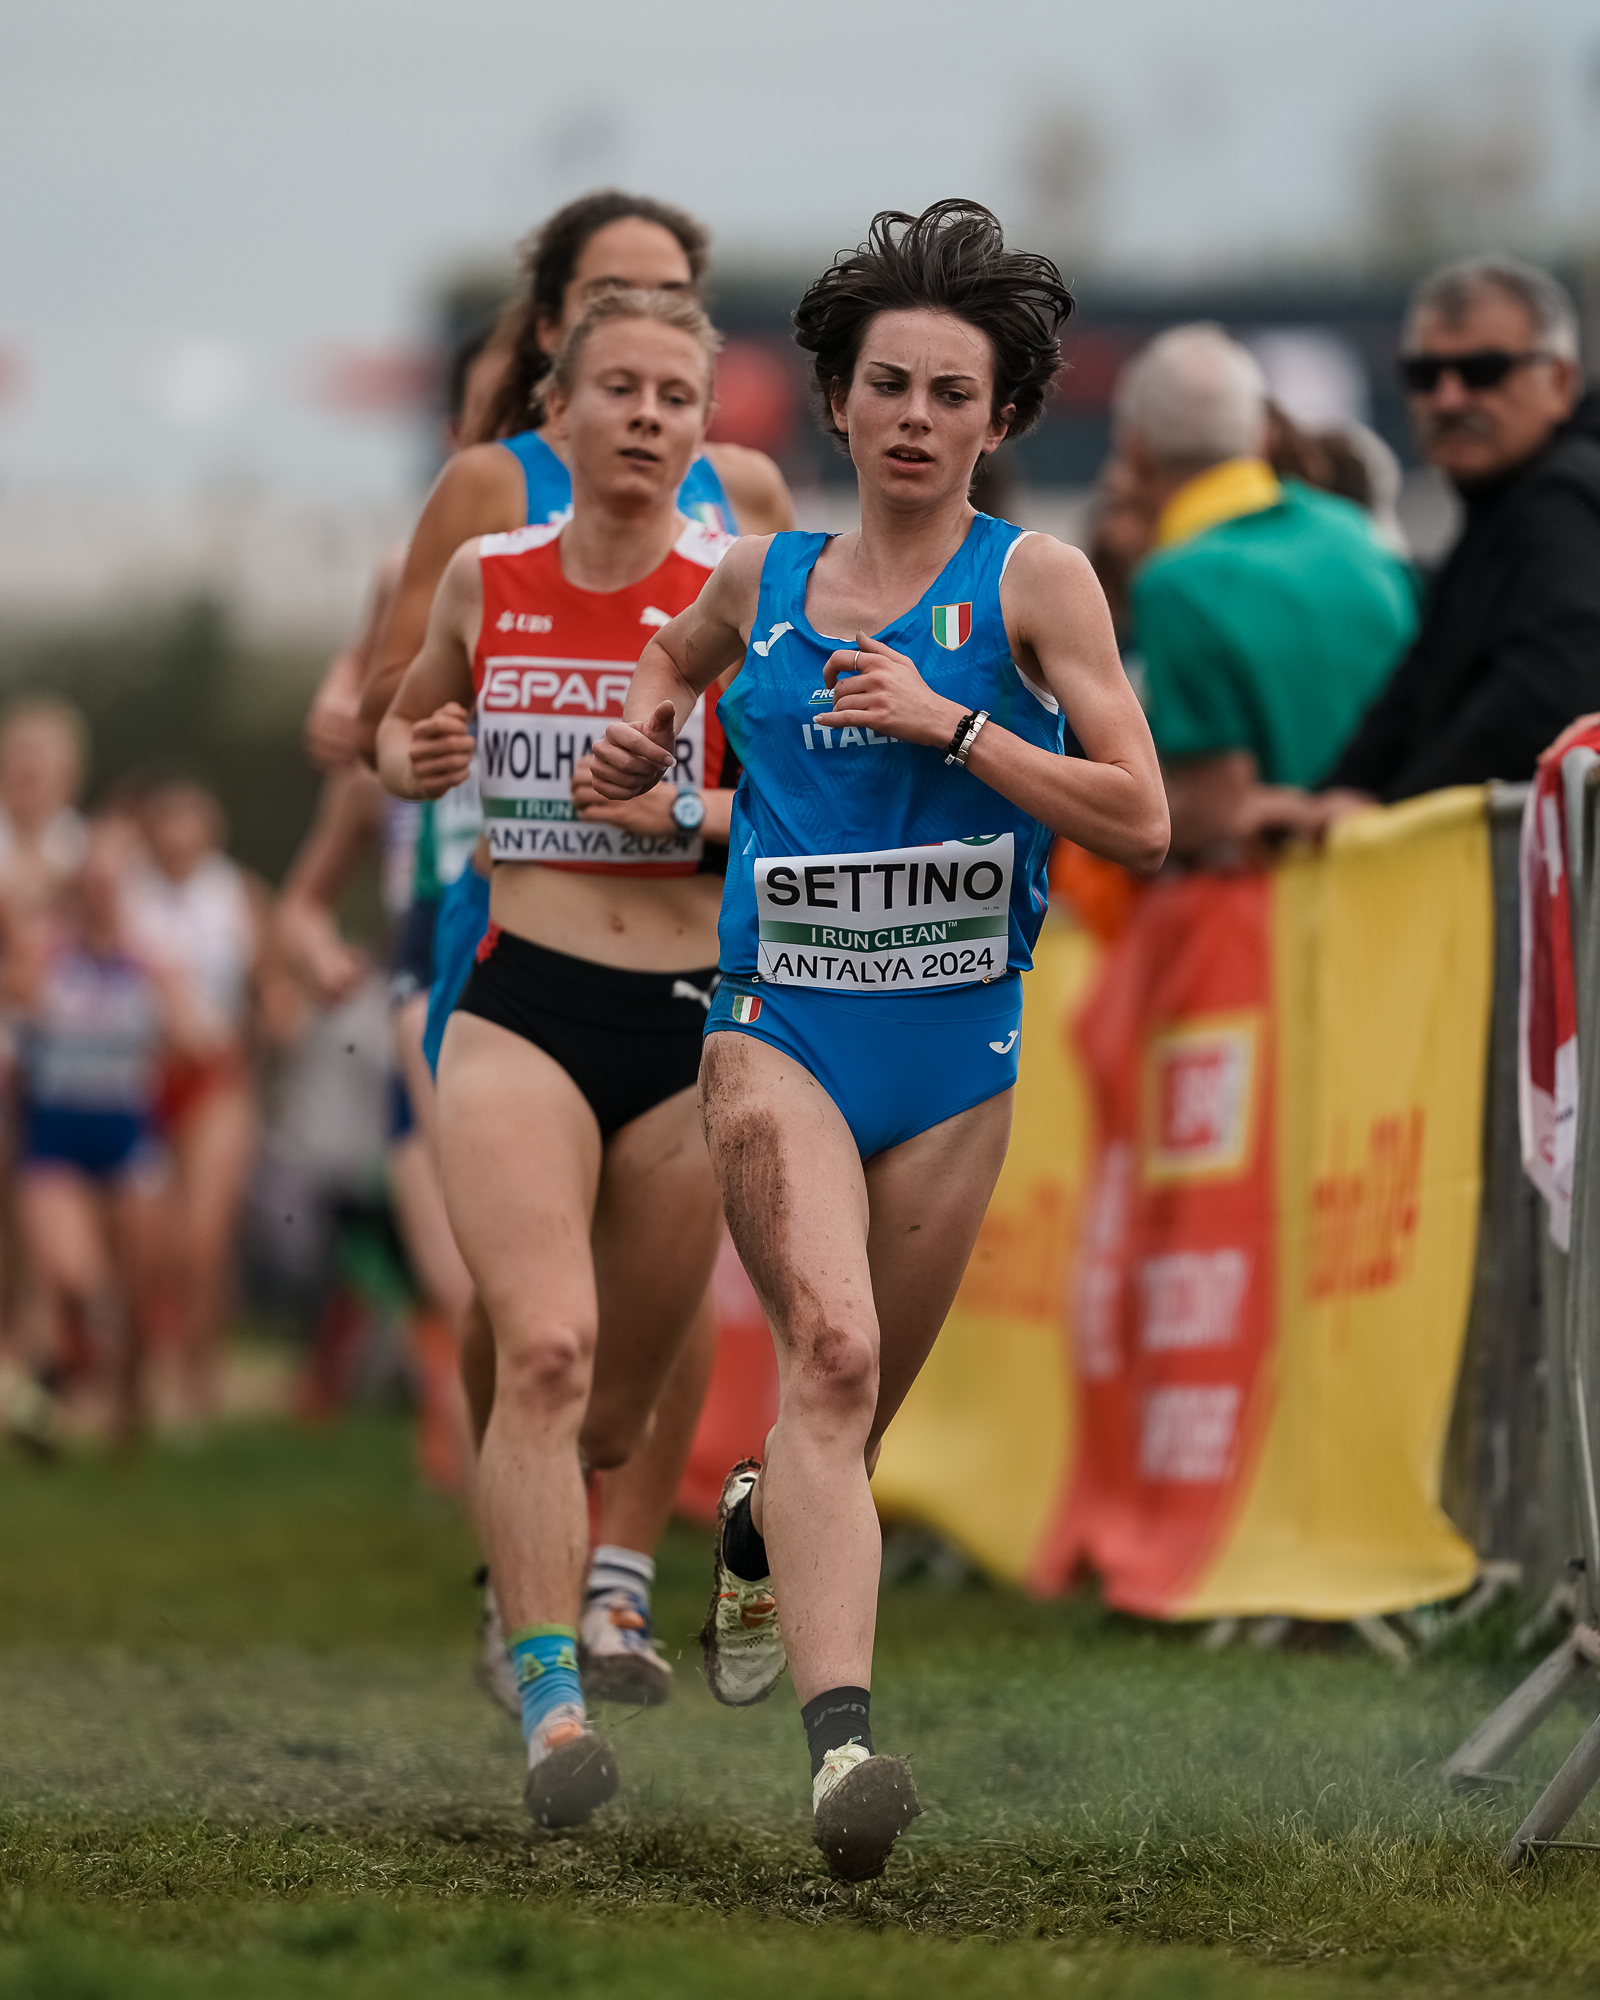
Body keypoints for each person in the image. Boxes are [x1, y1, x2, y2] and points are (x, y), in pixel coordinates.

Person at [589, 199, 1168, 1879]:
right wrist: (641, 738)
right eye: (889, 386)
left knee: (850, 1420)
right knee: (829, 1362)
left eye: (952, 394)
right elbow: (670, 656)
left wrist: (954, 725)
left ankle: (763, 1521)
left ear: (1002, 419)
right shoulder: (763, 578)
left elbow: (1140, 819)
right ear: (836, 404)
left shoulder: (1035, 582)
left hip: (955, 1057)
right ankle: (844, 1758)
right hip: (777, 1030)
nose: (916, 416)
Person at [362, 189, 796, 1714]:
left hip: (687, 976)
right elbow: (393, 701)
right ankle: (529, 1591)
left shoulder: (750, 515)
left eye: (679, 325)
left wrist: (684, 801)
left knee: (648, 1323)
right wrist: (403, 751)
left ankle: (617, 1574)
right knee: (528, 1313)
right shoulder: (489, 504)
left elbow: (799, 758)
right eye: (615, 313)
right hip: (509, 940)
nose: (650, 382)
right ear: (554, 344)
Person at [1108, 324, 1416, 859]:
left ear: (1134, 453)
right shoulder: (1361, 539)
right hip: (1416, 876)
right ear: (1264, 436)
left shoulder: (1175, 584)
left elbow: (1214, 810)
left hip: (1282, 900)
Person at [1314, 256, 1600, 811]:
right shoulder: (1503, 506)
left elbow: (1551, 688)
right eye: (1424, 375)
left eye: (1483, 371)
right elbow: (1421, 683)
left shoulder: (1563, 500)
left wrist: (1393, 817)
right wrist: (1337, 796)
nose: (1448, 398)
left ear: (1561, 381)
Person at [1, 818, 205, 1447]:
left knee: (138, 1289)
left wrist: (177, 1025)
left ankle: (128, 1412)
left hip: (129, 1140)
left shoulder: (152, 964)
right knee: (77, 1280)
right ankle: (60, 1373)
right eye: (91, 884)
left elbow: (196, 1038)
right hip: (54, 1140)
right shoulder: (45, 956)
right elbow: (17, 1013)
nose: (101, 895)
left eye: (112, 885)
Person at [122, 782, 265, 1419]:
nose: (178, 840)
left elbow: (270, 983)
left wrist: (268, 1020)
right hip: (142, 1075)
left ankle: (200, 1374)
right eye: (168, 827)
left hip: (216, 1077)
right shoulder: (129, 896)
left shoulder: (237, 894)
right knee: (155, 1243)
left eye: (190, 827)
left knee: (204, 1236)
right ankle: (152, 1367)